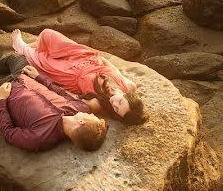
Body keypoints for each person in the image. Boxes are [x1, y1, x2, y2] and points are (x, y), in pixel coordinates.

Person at [9, 28, 147, 125]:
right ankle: (32, 48)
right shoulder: (130, 86)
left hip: (68, 75)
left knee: (39, 58)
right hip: (86, 60)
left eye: (116, 109)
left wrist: (42, 78)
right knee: (47, 34)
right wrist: (97, 57)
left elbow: (69, 97)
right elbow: (113, 67)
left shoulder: (98, 104)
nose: (114, 104)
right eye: (120, 102)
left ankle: (23, 48)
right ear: (127, 95)